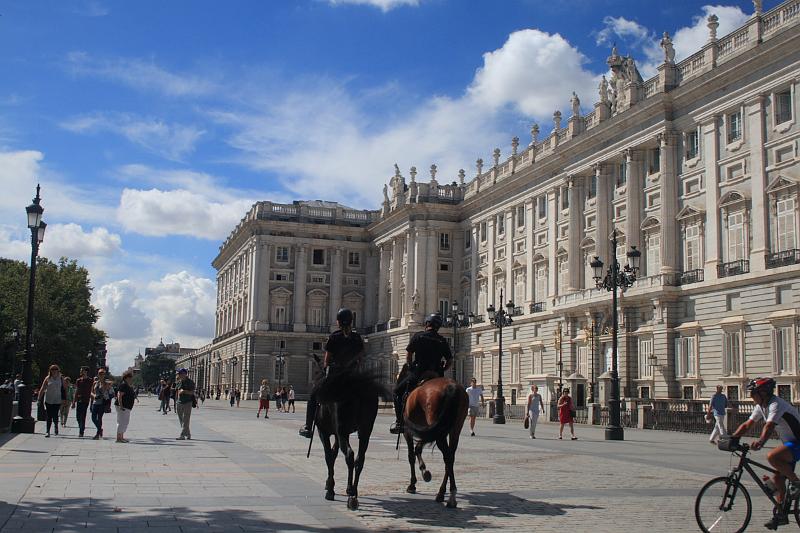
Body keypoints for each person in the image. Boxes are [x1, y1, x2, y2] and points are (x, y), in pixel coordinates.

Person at [731, 377, 800, 529]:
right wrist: (732, 439)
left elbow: (768, 427)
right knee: (778, 477)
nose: (751, 396)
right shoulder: (761, 406)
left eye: (753, 393)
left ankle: (796, 482)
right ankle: (781, 515)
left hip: (798, 442)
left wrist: (761, 442)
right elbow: (747, 424)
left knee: (772, 456)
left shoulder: (776, 404)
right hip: (790, 444)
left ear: (763, 393)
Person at [299, 307, 364, 438]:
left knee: (313, 396)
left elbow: (327, 360)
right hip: (352, 376)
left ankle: (308, 426)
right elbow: (360, 359)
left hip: (335, 376)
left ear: (338, 322)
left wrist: (325, 370)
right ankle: (362, 424)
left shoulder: (334, 337)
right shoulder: (357, 338)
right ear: (352, 322)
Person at [390, 313, 453, 434]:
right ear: (438, 326)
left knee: (397, 392)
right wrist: (443, 369)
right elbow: (450, 361)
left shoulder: (418, 336)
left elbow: (409, 354)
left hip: (419, 372)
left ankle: (399, 422)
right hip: (437, 374)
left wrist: (410, 366)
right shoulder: (442, 340)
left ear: (427, 324)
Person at [38, 365, 65, 438]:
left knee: (55, 415)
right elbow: (42, 388)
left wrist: (64, 399)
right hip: (48, 399)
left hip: (57, 400)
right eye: (52, 369)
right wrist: (39, 399)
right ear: (50, 370)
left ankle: (56, 426)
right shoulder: (47, 378)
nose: (54, 371)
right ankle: (47, 431)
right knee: (49, 416)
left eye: (56, 369)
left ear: (58, 370)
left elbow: (64, 389)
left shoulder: (61, 378)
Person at [90, 370, 113, 440]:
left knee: (99, 418)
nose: (101, 375)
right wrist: (94, 396)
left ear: (104, 375)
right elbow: (91, 392)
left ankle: (97, 433)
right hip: (95, 402)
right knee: (93, 418)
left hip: (102, 403)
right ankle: (100, 429)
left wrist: (105, 386)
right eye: (100, 374)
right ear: (98, 374)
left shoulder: (106, 383)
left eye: (103, 374)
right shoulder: (95, 383)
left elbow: (109, 393)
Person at [115, 371, 136, 443]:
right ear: (126, 378)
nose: (131, 379)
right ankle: (118, 438)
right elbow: (119, 395)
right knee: (121, 421)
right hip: (123, 406)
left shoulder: (127, 385)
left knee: (125, 422)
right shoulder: (123, 385)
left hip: (126, 407)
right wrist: (121, 405)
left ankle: (121, 437)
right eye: (130, 377)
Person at [176, 368, 195, 440]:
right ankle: (188, 433)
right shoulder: (179, 382)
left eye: (180, 373)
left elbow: (192, 392)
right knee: (182, 419)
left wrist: (184, 391)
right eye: (178, 374)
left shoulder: (190, 382)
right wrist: (176, 401)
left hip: (188, 402)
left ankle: (182, 435)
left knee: (186, 419)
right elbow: (177, 391)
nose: (179, 375)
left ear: (185, 374)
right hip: (179, 402)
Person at [73, 367, 92, 437]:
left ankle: (81, 431)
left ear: (86, 372)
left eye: (82, 371)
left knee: (83, 416)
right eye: (80, 370)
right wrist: (73, 402)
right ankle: (81, 426)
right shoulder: (78, 380)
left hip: (86, 400)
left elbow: (92, 390)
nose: (81, 372)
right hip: (79, 399)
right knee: (78, 416)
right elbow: (76, 391)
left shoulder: (90, 380)